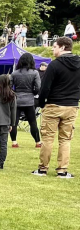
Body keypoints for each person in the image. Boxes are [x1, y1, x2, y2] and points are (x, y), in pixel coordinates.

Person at [33, 37, 80, 178]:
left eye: (55, 46)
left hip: (53, 105)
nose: (53, 49)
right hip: (71, 106)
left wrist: (41, 103)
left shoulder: (54, 65)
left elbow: (45, 87)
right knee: (65, 139)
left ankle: (43, 169)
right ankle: (62, 170)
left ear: (62, 47)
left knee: (48, 138)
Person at [10, 52, 41, 148]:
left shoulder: (14, 73)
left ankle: (14, 142)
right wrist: (33, 93)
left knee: (14, 123)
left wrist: (14, 93)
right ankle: (38, 142)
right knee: (33, 122)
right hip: (29, 100)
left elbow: (9, 87)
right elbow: (38, 87)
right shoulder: (35, 73)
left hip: (17, 100)